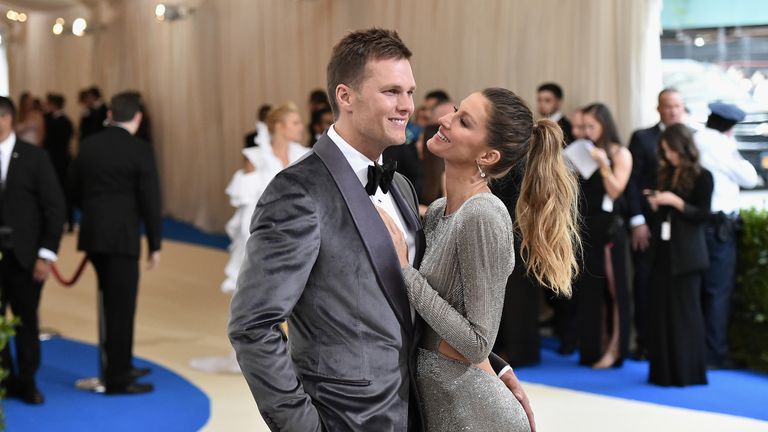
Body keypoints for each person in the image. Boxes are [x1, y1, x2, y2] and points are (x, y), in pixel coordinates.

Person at [229, 28, 532, 432]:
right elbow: (253, 325)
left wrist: (489, 365)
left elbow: (421, 306)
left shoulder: (402, 188)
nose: (407, 106)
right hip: (344, 418)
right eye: (391, 91)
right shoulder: (298, 192)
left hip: (418, 413)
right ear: (345, 96)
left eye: (409, 92)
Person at [380, 87, 578, 431]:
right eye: (456, 111)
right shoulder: (440, 211)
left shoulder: (484, 215)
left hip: (474, 412)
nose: (444, 119)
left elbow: (476, 343)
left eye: (463, 121)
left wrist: (405, 272)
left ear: (487, 156)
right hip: (445, 403)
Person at [69, 92, 162, 395]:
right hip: (122, 238)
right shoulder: (140, 149)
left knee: (110, 304)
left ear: (110, 113)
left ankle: (120, 364)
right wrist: (155, 244)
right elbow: (150, 199)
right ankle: (118, 377)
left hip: (94, 235)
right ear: (137, 117)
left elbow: (73, 188)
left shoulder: (89, 145)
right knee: (121, 308)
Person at [0, 96, 65, 405]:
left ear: (7, 119)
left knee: (26, 323)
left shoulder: (35, 157)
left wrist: (46, 255)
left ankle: (27, 382)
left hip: (26, 259)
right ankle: (3, 378)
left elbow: (55, 208)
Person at [646, 124, 712, 387]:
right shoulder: (666, 173)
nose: (669, 156)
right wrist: (656, 203)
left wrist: (675, 202)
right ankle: (664, 372)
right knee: (662, 312)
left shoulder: (703, 176)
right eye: (665, 151)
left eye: (672, 150)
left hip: (688, 255)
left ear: (683, 148)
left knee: (686, 314)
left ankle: (687, 372)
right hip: (664, 251)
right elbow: (662, 216)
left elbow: (703, 215)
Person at [695, 102, 759, 369]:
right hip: (720, 228)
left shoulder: (695, 138)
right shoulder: (722, 144)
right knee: (718, 292)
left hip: (698, 225)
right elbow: (749, 178)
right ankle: (715, 354)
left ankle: (697, 350)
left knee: (697, 290)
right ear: (730, 127)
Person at [624, 88, 686, 360]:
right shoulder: (642, 137)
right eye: (667, 106)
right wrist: (636, 220)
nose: (672, 111)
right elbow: (632, 182)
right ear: (658, 108)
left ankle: (673, 341)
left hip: (681, 228)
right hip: (647, 225)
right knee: (645, 281)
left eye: (677, 106)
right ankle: (646, 342)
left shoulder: (691, 138)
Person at [576, 103, 632, 368]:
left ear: (604, 126)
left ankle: (615, 347)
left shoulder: (620, 153)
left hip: (610, 227)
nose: (586, 131)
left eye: (591, 126)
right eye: (584, 126)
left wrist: (603, 164)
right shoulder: (582, 150)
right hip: (587, 225)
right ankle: (590, 347)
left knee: (614, 289)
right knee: (588, 290)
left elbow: (616, 191)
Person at [43, 93, 75, 231]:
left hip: (60, 162)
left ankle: (69, 221)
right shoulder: (48, 119)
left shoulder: (64, 121)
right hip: (53, 161)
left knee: (64, 191)